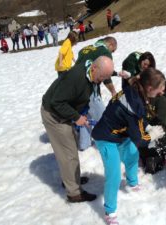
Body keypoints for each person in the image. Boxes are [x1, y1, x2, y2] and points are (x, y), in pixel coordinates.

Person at [92, 68, 166, 225]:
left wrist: (147, 127)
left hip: (121, 133)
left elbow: (137, 118)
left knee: (132, 154)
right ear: (150, 88)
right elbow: (139, 140)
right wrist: (151, 135)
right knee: (114, 175)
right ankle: (110, 211)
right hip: (106, 138)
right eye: (160, 90)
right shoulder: (134, 102)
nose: (162, 93)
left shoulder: (136, 91)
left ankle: (132, 182)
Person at [41, 56, 114, 203]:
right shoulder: (77, 78)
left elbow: (84, 93)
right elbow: (57, 102)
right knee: (68, 154)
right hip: (54, 115)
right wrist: (76, 117)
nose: (101, 81)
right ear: (94, 68)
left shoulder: (91, 72)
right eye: (101, 77)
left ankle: (71, 179)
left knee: (70, 148)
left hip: (63, 113)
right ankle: (74, 193)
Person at [75, 36, 118, 150]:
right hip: (89, 88)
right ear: (110, 45)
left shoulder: (86, 48)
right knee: (104, 118)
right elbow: (105, 75)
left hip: (76, 87)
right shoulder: (104, 51)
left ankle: (84, 144)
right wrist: (113, 91)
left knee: (85, 115)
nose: (112, 53)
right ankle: (112, 144)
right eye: (113, 50)